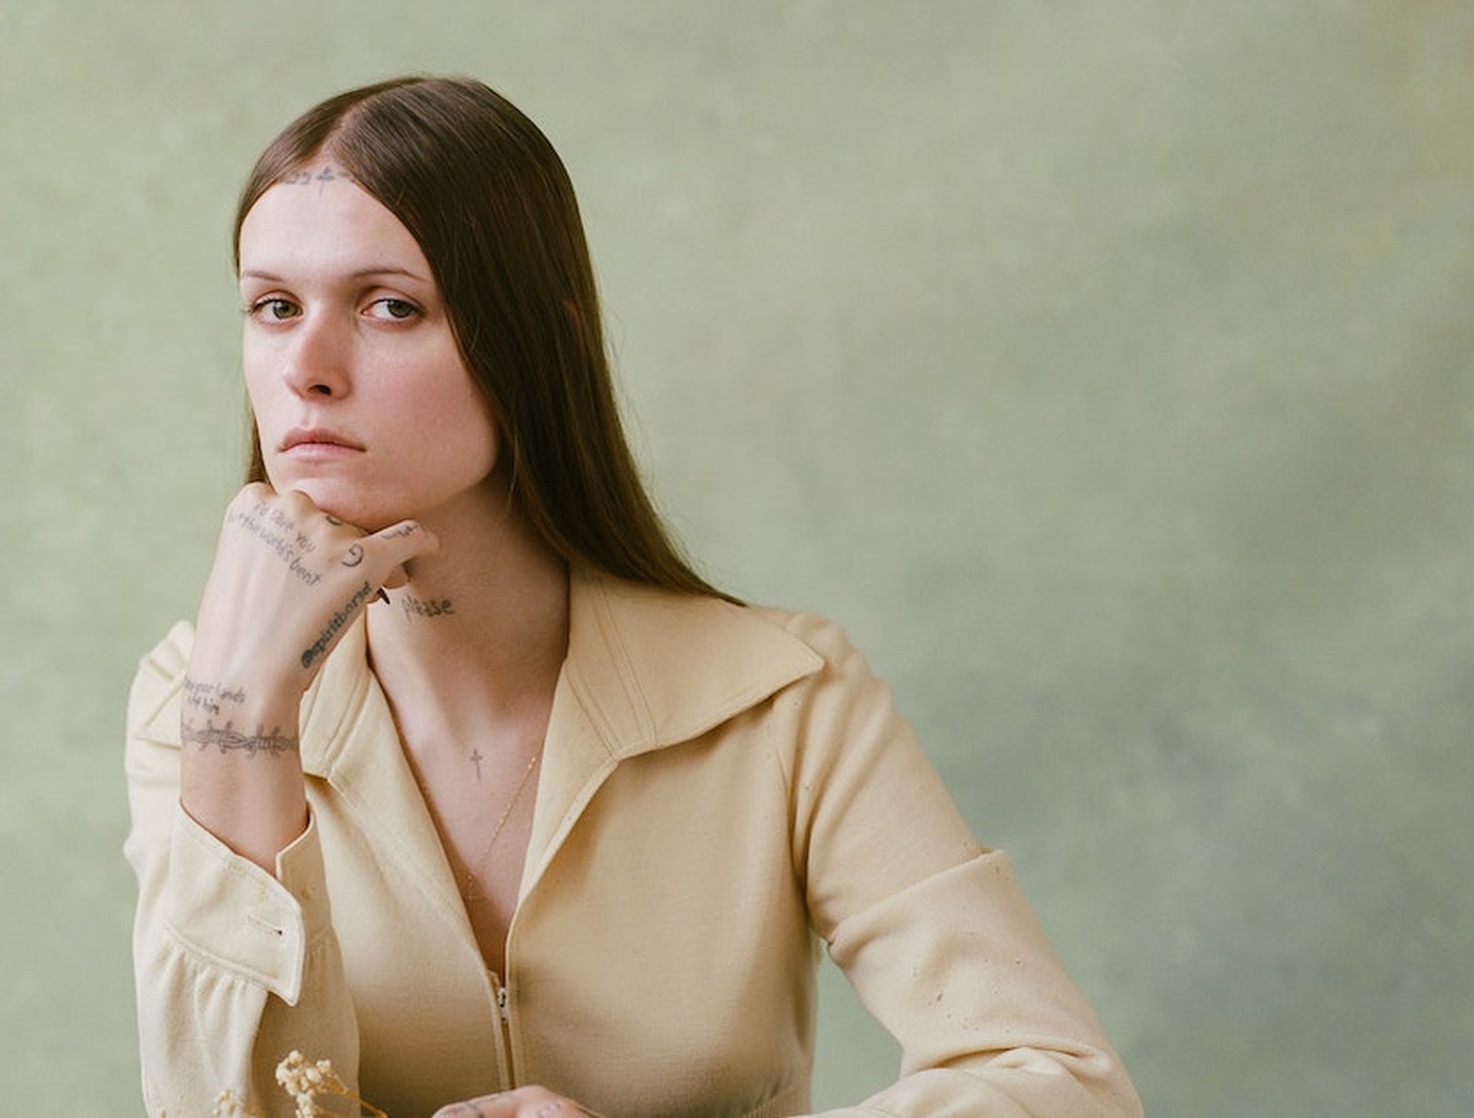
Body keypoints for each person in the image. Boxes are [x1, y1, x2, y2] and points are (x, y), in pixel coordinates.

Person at [123, 75, 1140, 1117]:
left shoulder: (783, 698)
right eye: (275, 307)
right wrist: (241, 715)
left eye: (391, 305)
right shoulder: (190, 703)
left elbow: (1066, 1088)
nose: (307, 367)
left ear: (542, 340)